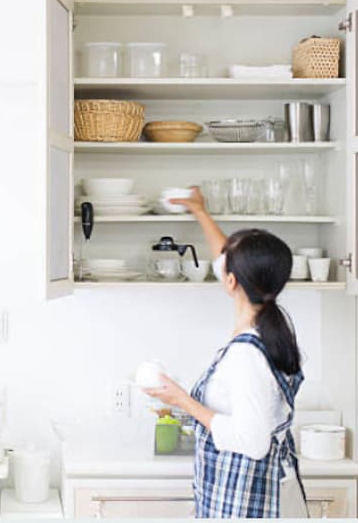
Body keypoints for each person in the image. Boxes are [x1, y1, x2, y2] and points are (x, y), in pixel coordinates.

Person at [145, 186, 306, 518]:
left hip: (246, 506)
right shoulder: (273, 333)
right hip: (265, 497)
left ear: (232, 281)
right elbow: (226, 261)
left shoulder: (246, 356)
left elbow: (253, 442)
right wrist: (200, 211)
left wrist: (181, 401)